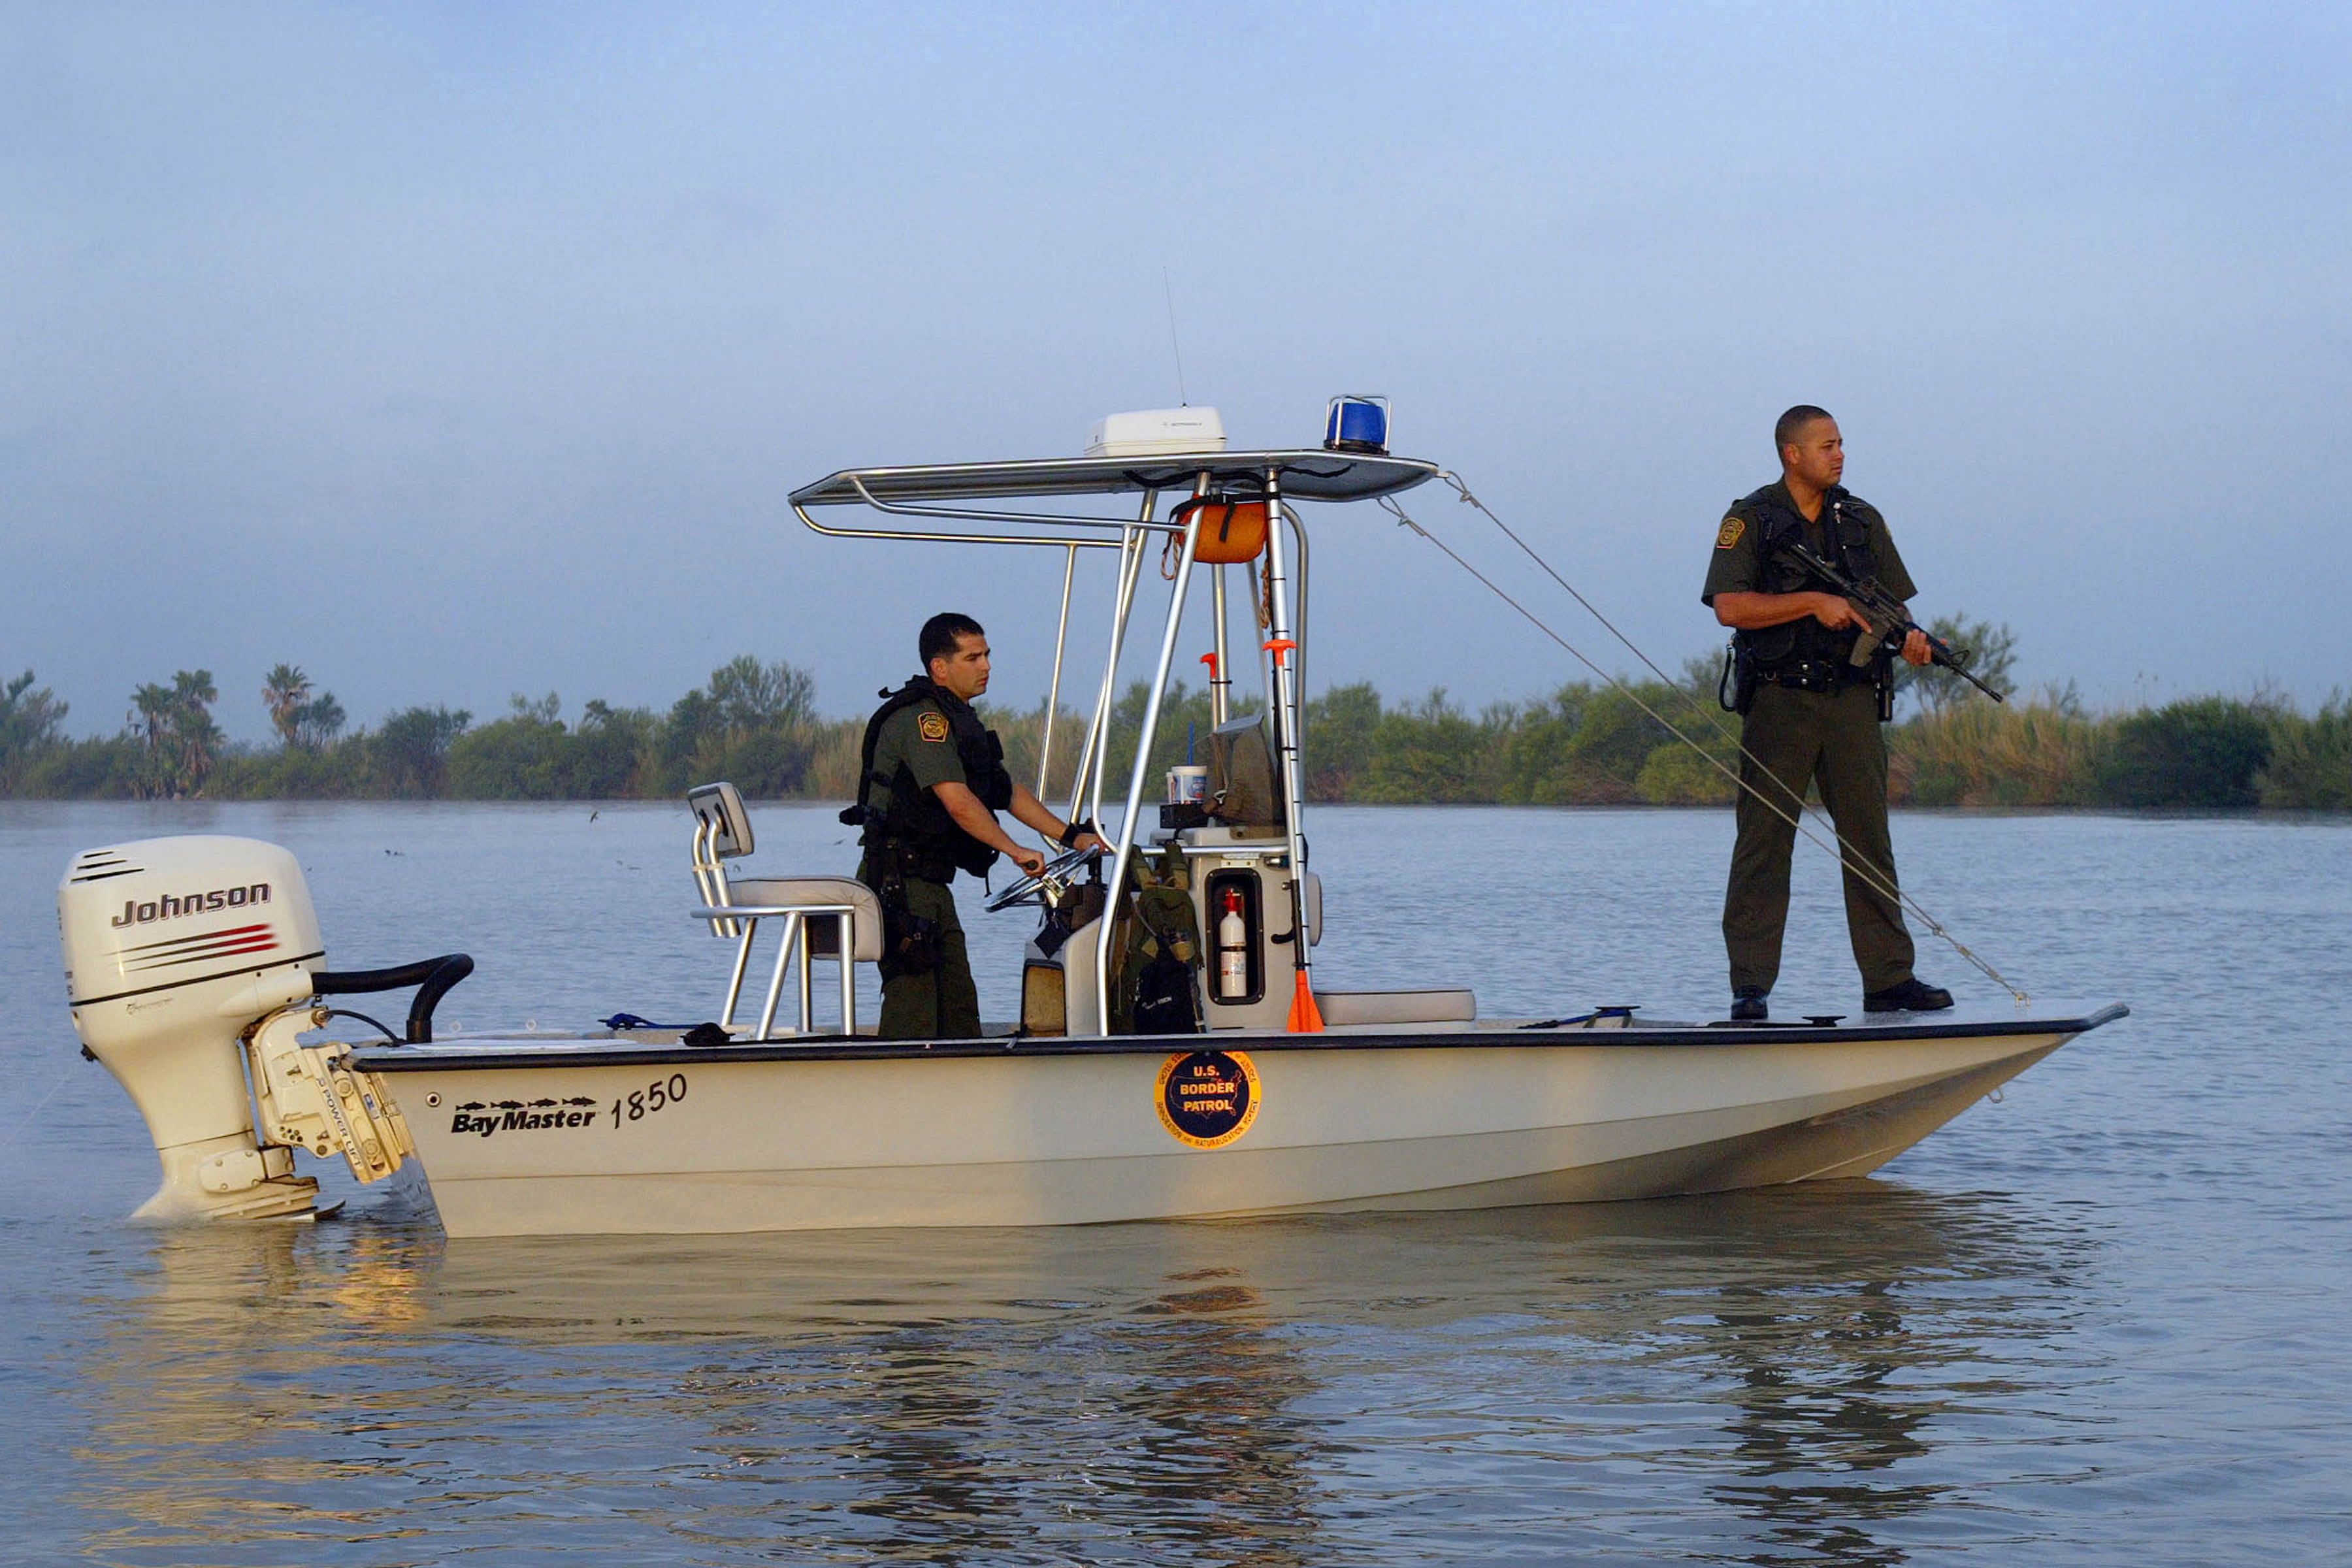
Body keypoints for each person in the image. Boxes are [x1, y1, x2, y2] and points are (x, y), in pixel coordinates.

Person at [1701, 406, 1953, 1021]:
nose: (1839, 455)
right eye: (1826, 445)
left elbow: (1894, 609)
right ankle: (1751, 987)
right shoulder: (1751, 519)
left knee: (1870, 842)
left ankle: (1890, 980)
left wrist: (1916, 640)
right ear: (1792, 453)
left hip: (1852, 701)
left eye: (1841, 444)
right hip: (1781, 700)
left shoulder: (1862, 519)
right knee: (1764, 845)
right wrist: (1811, 602)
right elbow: (1730, 607)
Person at [848, 612, 1107, 1040]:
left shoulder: (960, 723)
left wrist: (1071, 836)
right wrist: (1015, 850)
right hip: (900, 886)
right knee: (913, 1009)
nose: (986, 666)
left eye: (987, 655)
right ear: (940, 667)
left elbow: (1004, 792)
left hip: (931, 887)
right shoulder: (923, 721)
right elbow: (959, 802)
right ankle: (896, 1092)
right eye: (973, 657)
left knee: (959, 1008)